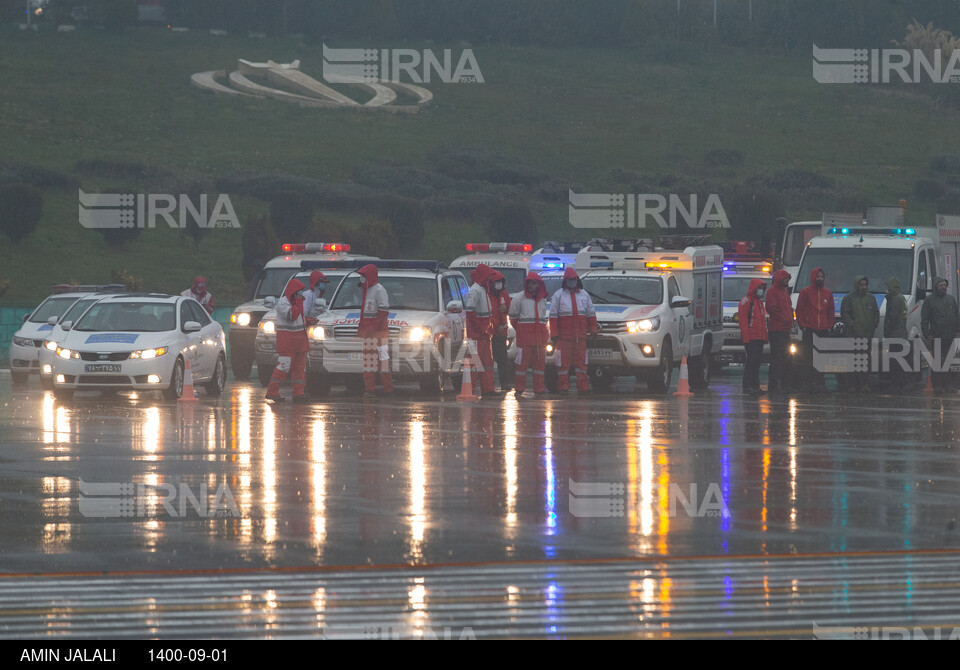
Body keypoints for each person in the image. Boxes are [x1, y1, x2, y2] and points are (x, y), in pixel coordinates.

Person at [549, 267, 598, 394]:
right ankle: (563, 387)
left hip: (580, 337)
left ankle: (583, 387)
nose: (572, 282)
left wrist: (593, 330)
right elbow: (553, 316)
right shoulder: (558, 295)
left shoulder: (584, 294)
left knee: (581, 364)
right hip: (564, 338)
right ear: (566, 280)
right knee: (562, 365)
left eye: (574, 280)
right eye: (570, 280)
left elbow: (590, 314)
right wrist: (554, 334)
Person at [265, 279, 309, 403]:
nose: (301, 294)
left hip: (299, 343)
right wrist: (299, 302)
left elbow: (299, 319)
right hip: (288, 342)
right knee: (283, 367)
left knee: (300, 369)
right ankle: (272, 391)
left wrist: (309, 320)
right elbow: (292, 316)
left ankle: (298, 392)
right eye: (299, 292)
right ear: (293, 292)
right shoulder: (284, 303)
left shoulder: (297, 302)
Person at [508, 272, 549, 398]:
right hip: (525, 339)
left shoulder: (542, 299)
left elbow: (543, 319)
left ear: (538, 284)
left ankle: (539, 388)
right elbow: (513, 317)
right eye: (530, 283)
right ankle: (519, 389)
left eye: (534, 283)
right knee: (521, 366)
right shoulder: (519, 298)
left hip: (539, 340)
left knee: (539, 366)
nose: (531, 285)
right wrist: (521, 330)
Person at [356, 264, 394, 396]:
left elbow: (384, 311)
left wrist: (372, 327)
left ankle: (388, 389)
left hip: (379, 333)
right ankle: (369, 388)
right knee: (368, 361)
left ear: (370, 276)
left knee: (383, 361)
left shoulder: (379, 290)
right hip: (370, 333)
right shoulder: (366, 290)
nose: (361, 278)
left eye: (363, 276)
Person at [795, 267, 835, 391]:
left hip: (822, 330)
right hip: (810, 329)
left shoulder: (827, 293)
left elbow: (830, 311)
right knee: (808, 358)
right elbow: (799, 310)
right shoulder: (805, 292)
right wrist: (803, 326)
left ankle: (820, 384)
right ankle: (809, 384)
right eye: (818, 276)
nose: (820, 279)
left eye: (822, 277)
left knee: (821, 358)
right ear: (813, 277)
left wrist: (829, 325)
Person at [464, 264, 499, 397]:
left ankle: (488, 389)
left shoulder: (483, 289)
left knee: (487, 363)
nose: (490, 278)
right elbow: (470, 311)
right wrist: (480, 328)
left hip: (483, 334)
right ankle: (470, 390)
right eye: (488, 275)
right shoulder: (476, 290)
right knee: (474, 363)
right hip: (477, 334)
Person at [840, 276, 879, 392]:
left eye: (865, 284)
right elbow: (845, 315)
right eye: (861, 284)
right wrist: (853, 326)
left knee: (865, 361)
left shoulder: (871, 298)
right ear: (856, 285)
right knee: (852, 360)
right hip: (853, 336)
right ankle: (852, 385)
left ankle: (864, 384)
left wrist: (873, 326)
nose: (863, 287)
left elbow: (876, 314)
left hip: (867, 336)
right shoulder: (848, 298)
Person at [921, 276, 960, 391]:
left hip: (950, 335)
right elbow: (924, 319)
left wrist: (958, 330)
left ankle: (948, 385)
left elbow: (956, 316)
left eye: (944, 285)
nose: (943, 287)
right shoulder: (929, 300)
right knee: (937, 361)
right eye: (941, 285)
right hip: (937, 336)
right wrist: (926, 333)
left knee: (949, 361)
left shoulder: (951, 299)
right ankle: (937, 385)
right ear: (935, 287)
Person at [765, 269, 793, 393]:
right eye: (786, 278)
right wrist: (784, 319)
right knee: (777, 357)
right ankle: (775, 384)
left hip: (784, 329)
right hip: (777, 329)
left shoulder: (784, 291)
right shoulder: (773, 291)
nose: (787, 280)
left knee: (786, 357)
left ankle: (783, 384)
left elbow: (787, 307)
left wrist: (788, 320)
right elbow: (771, 308)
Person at [738, 278, 768, 395]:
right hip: (751, 338)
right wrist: (746, 339)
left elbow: (761, 321)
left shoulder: (759, 303)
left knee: (756, 363)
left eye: (762, 289)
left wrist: (764, 337)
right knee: (751, 362)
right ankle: (747, 386)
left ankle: (755, 386)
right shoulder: (747, 302)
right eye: (759, 288)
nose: (761, 291)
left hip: (758, 338)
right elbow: (743, 322)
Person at [489, 270, 514, 392]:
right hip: (491, 334)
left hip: (502, 334)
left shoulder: (504, 294)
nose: (498, 284)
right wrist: (494, 327)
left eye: (500, 282)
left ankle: (504, 384)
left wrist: (506, 308)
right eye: (496, 282)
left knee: (503, 360)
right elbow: (489, 314)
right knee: (489, 361)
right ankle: (489, 385)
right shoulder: (488, 295)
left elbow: (511, 309)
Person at [882, 276, 909, 388]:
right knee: (901, 358)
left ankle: (898, 382)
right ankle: (902, 381)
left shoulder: (895, 299)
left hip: (895, 334)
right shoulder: (900, 297)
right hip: (901, 333)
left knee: (895, 359)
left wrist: (887, 331)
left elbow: (892, 317)